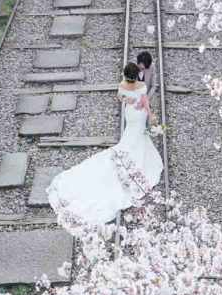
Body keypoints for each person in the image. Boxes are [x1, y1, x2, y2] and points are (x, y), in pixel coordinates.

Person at [46, 63, 164, 226]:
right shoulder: (142, 86)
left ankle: (130, 154)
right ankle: (137, 158)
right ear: (137, 75)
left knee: (132, 133)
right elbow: (145, 103)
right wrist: (151, 116)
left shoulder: (123, 85)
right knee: (137, 135)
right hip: (139, 114)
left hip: (130, 113)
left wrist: (127, 99)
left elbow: (120, 97)